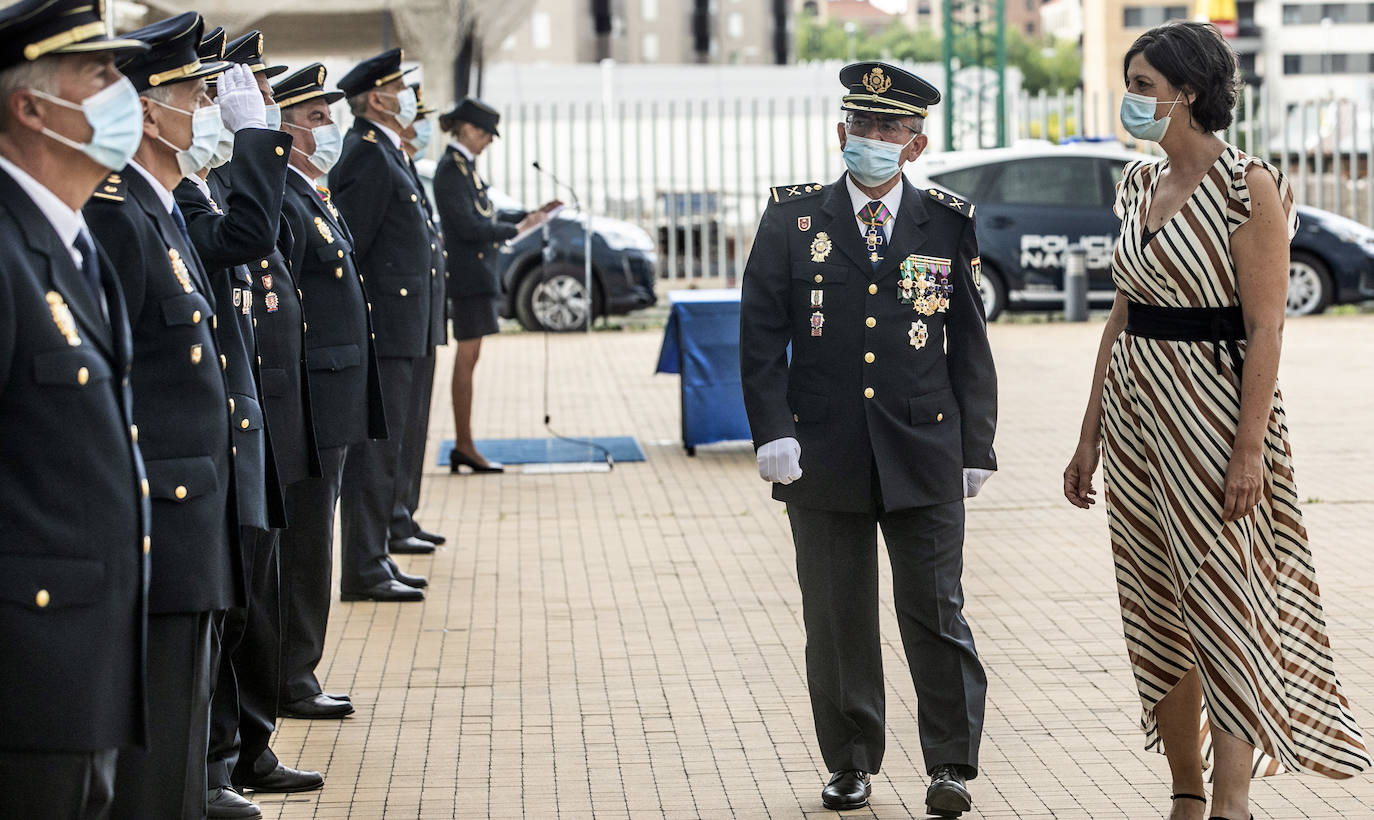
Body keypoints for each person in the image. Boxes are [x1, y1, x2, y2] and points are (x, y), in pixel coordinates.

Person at [1062, 21, 1370, 820]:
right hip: (1137, 418)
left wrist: (1247, 452)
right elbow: (1121, 314)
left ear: (1189, 94)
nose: (1132, 102)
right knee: (1158, 602)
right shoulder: (1136, 184)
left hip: (1217, 411)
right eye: (1130, 85)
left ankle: (1233, 802)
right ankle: (1185, 795)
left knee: (1228, 603)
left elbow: (1267, 325)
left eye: (1143, 88)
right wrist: (1088, 433)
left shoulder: (1247, 184)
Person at [738, 62, 997, 817]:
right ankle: (851, 761)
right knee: (837, 616)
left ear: (915, 145)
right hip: (822, 452)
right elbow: (759, 337)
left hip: (924, 447)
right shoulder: (793, 219)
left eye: (892, 129)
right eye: (864, 125)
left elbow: (968, 346)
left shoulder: (945, 220)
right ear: (840, 131)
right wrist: (772, 432)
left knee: (936, 612)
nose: (875, 138)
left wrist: (976, 444)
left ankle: (950, 764)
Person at [82, 12, 242, 818]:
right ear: (149, 110)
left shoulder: (163, 209)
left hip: (193, 512)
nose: (209, 108)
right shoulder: (117, 214)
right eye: (197, 93)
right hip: (162, 517)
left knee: (179, 752)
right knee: (155, 771)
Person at [0, 3, 149, 816]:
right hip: (24, 683)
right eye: (99, 74)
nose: (123, 91)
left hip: (81, 677)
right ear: (29, 107)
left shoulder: (71, 242)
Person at [175, 29, 323, 818]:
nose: (216, 108)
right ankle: (215, 763)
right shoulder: (176, 195)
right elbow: (247, 238)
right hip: (209, 439)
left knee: (252, 611)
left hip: (244, 419)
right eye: (202, 96)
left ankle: (241, 752)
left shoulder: (195, 187)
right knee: (230, 618)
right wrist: (252, 138)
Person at [273, 62, 387, 718]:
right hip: (311, 401)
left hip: (332, 395)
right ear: (283, 128)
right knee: (306, 546)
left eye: (327, 114)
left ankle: (300, 669)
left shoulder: (309, 193)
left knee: (315, 540)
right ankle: (293, 676)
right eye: (316, 116)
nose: (330, 126)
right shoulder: (283, 197)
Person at [332, 48, 436, 599]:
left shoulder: (388, 153)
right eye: (400, 86)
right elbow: (354, 246)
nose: (409, 96)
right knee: (374, 453)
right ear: (376, 98)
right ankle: (364, 565)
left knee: (390, 448)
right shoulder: (367, 154)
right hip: (384, 326)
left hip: (404, 326)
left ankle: (376, 554)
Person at [433, 97, 557, 473]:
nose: (488, 141)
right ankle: (464, 444)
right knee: (467, 360)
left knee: (472, 359)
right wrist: (518, 228)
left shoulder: (464, 167)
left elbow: (486, 212)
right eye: (486, 134)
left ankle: (465, 442)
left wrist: (529, 214)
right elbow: (470, 227)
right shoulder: (450, 170)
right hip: (468, 278)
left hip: (478, 276)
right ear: (468, 130)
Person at [389, 82, 450, 552]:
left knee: (414, 429)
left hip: (417, 320)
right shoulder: (371, 157)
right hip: (393, 326)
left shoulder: (402, 161)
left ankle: (403, 515)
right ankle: (387, 527)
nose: (421, 122)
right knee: (393, 438)